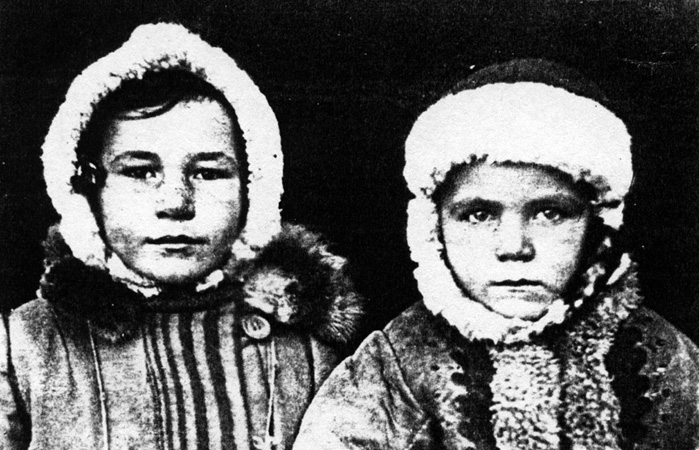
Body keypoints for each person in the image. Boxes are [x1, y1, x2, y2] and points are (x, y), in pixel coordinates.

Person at [292, 59, 699, 449]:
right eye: (479, 214)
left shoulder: (667, 360)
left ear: (598, 225)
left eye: (550, 213)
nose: (514, 247)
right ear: (434, 228)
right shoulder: (397, 363)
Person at [0, 23, 363, 450]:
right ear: (87, 187)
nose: (176, 203)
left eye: (207, 173)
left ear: (254, 186)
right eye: (140, 172)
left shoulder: (311, 342)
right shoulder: (23, 347)